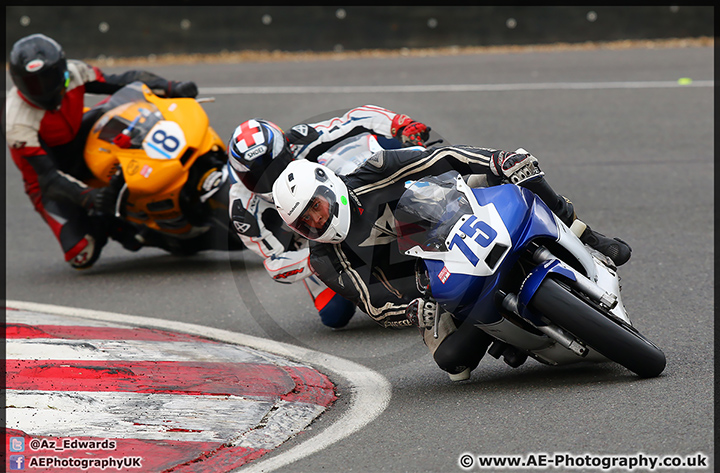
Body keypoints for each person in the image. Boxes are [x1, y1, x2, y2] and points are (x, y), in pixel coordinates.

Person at [272, 145, 632, 380]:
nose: (316, 223)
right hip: (433, 281)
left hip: (458, 220)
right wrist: (413, 309)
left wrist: (494, 160)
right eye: (304, 223)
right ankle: (508, 337)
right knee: (452, 364)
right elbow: (371, 301)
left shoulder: (376, 169)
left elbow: (442, 157)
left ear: (327, 185)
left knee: (520, 170)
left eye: (315, 209)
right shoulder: (323, 258)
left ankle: (586, 236)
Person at [5, 33, 199, 269]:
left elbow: (123, 81)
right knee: (81, 253)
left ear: (62, 70)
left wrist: (170, 86)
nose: (44, 89)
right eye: (34, 83)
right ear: (19, 83)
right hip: (48, 177)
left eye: (49, 78)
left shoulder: (76, 72)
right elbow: (48, 177)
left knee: (129, 115)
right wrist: (88, 198)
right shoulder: (16, 121)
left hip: (80, 137)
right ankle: (122, 228)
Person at [226, 106, 430, 328]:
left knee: (388, 148)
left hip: (337, 201)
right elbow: (275, 265)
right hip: (311, 241)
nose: (270, 181)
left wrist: (400, 125)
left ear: (287, 150)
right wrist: (323, 257)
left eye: (273, 167)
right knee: (335, 315)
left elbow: (355, 119)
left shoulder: (303, 139)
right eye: (255, 177)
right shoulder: (243, 210)